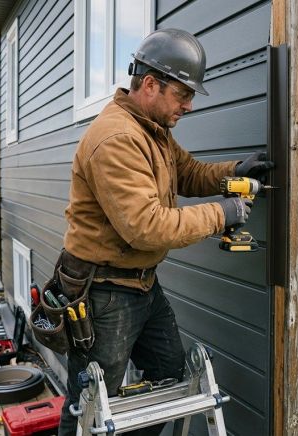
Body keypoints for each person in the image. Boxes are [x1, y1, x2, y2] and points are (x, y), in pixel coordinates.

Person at [56, 28, 273, 435]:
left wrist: (234, 173)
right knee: (89, 406)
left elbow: (187, 173)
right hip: (103, 292)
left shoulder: (152, 130)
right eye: (183, 94)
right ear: (151, 85)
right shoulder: (117, 137)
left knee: (170, 379)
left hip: (140, 284)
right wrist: (222, 213)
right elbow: (147, 226)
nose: (188, 106)